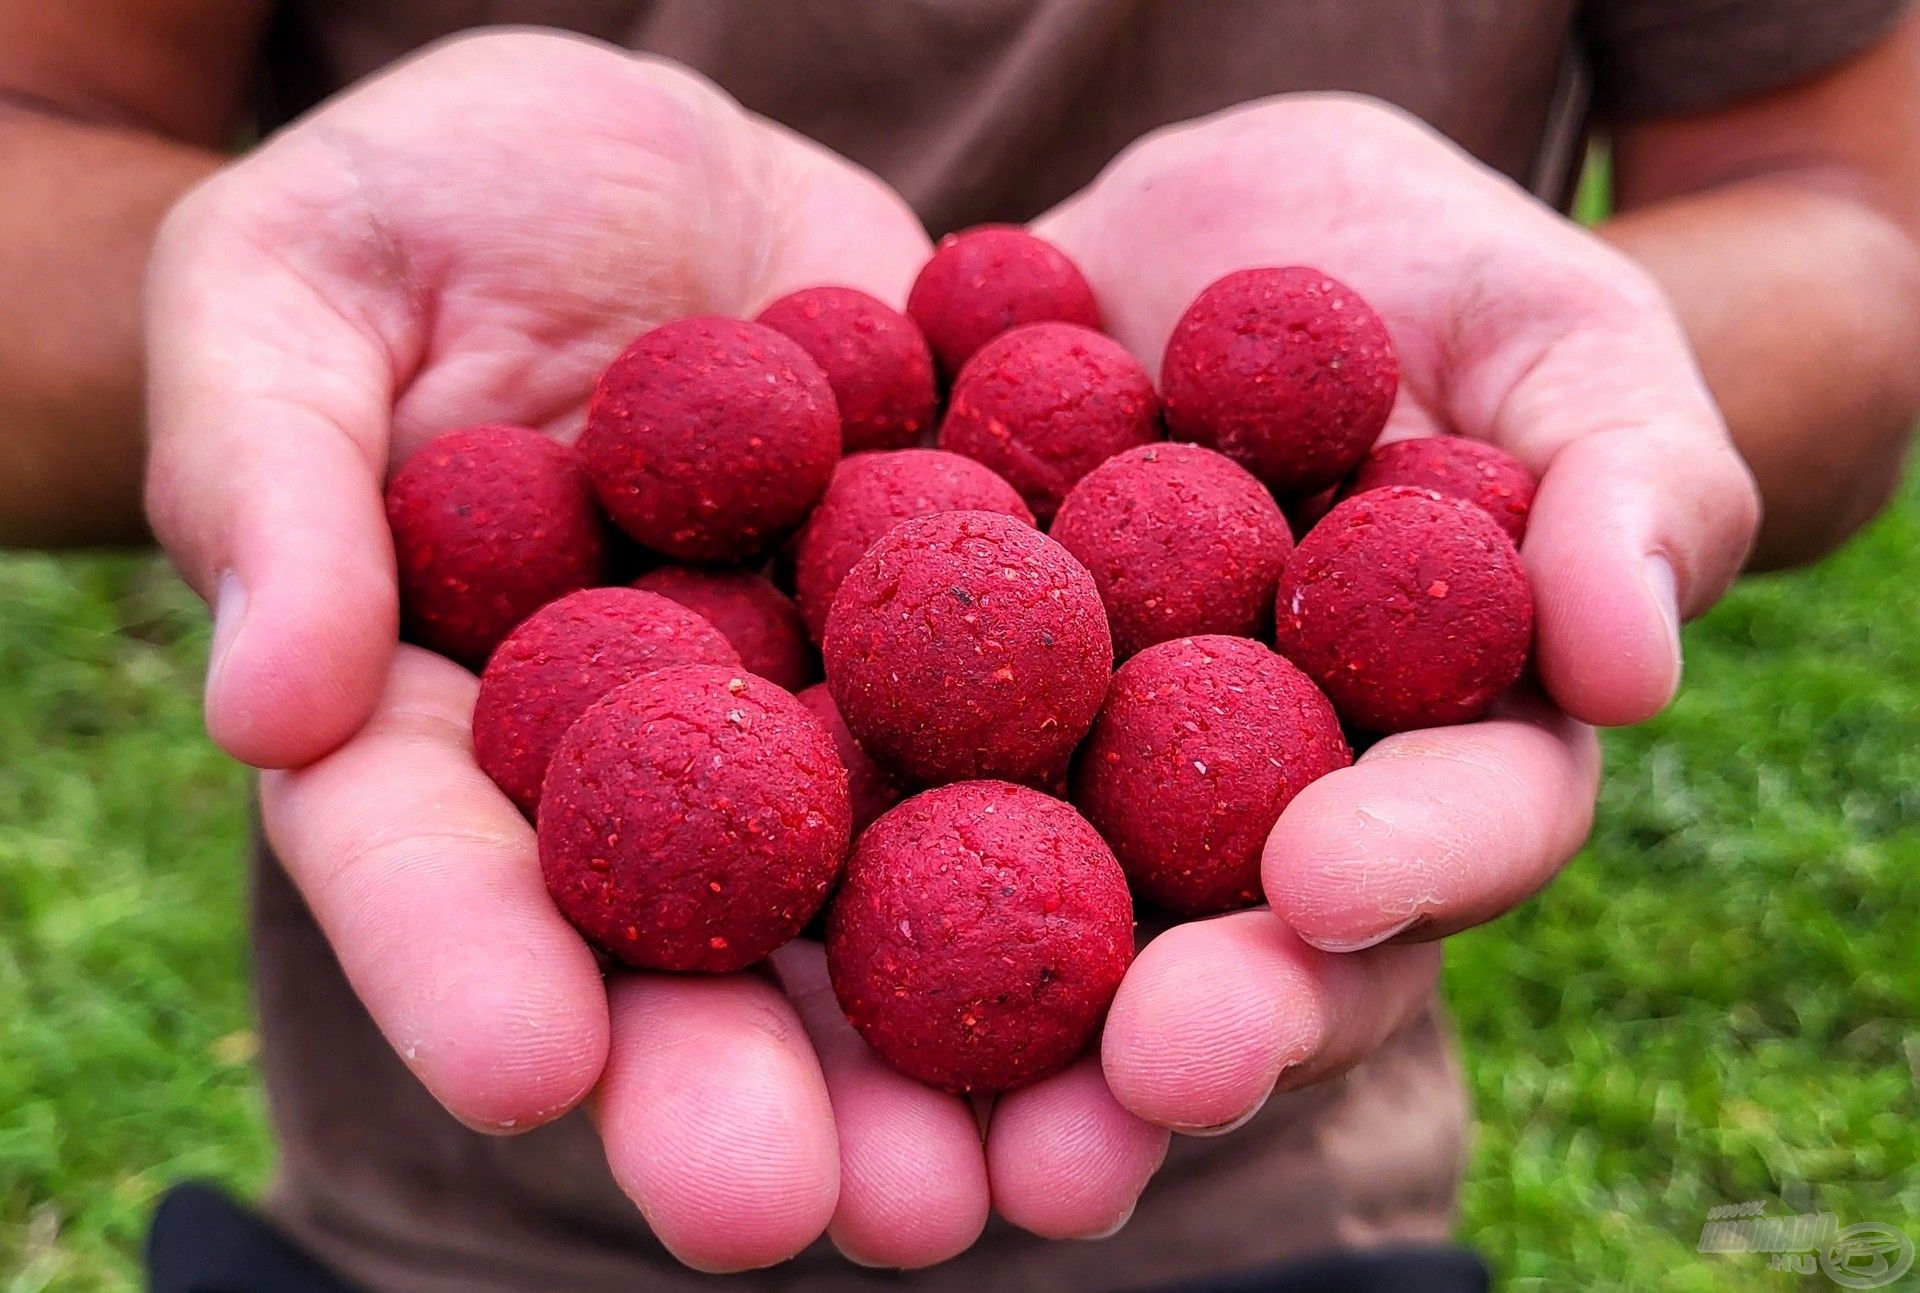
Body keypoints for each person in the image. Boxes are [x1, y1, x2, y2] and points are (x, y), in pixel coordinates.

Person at [4, 2, 1917, 1289]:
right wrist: (296, 291)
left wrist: (1547, 408)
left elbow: (1851, 217)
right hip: (435, 1215)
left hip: (1261, 1165)